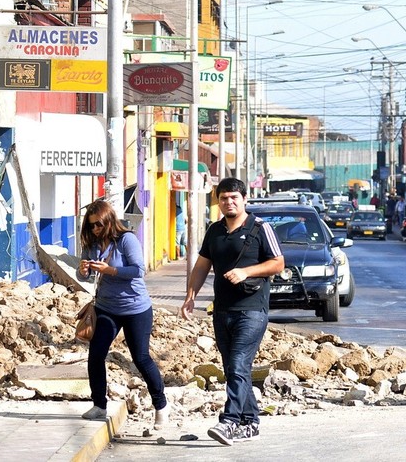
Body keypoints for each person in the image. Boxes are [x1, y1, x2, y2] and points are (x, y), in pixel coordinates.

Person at [181, 178, 285, 446]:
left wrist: (246, 271)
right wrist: (190, 295)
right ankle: (250, 423)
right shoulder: (215, 231)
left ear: (244, 199)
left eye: (234, 198)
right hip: (222, 310)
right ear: (218, 201)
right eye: (224, 198)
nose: (229, 202)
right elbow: (202, 265)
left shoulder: (261, 228)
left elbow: (278, 263)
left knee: (239, 364)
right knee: (234, 369)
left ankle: (229, 421)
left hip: (252, 310)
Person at [77, 200, 169, 427]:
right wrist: (83, 271)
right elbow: (84, 278)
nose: (96, 230)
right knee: (96, 354)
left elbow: (138, 270)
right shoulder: (92, 244)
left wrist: (110, 270)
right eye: (91, 226)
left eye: (98, 224)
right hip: (106, 308)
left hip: (136, 308)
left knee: (140, 357)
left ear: (109, 220)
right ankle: (99, 405)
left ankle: (161, 404)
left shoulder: (126, 239)